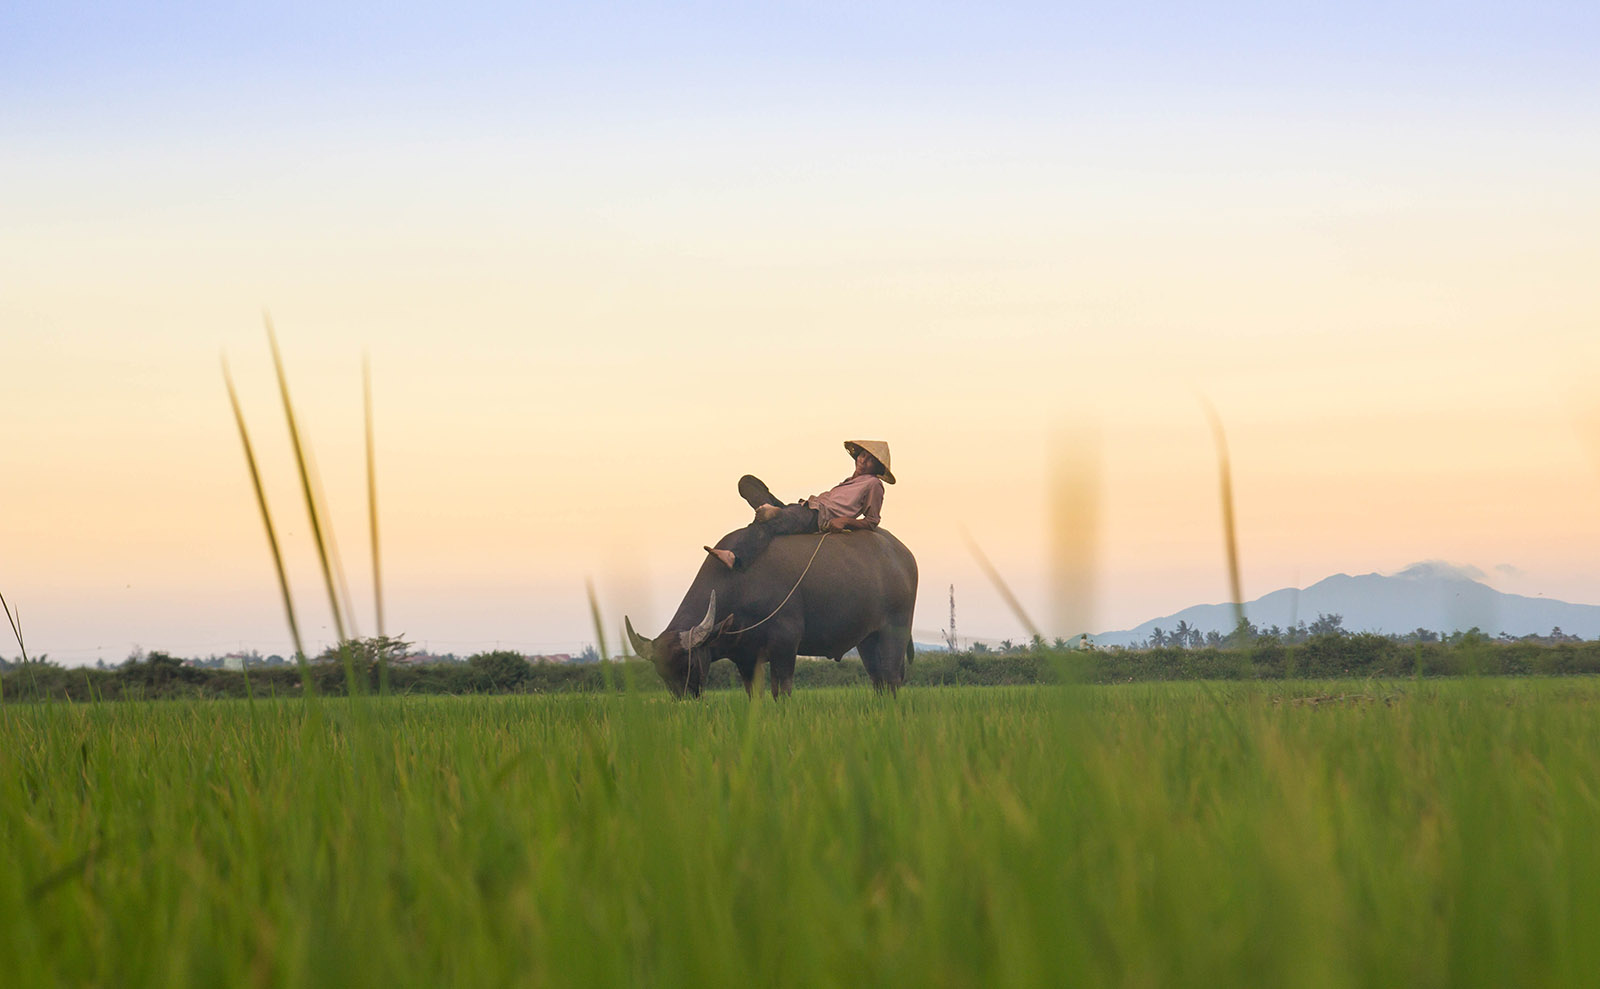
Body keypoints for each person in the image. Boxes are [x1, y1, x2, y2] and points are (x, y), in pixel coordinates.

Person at [703, 440, 895, 570]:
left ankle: (737, 558)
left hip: (816, 516)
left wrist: (844, 520)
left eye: (870, 460)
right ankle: (768, 509)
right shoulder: (849, 480)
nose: (863, 460)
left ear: (876, 468)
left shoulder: (873, 484)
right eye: (862, 455)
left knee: (770, 524)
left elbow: (872, 521)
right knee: (747, 481)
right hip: (802, 508)